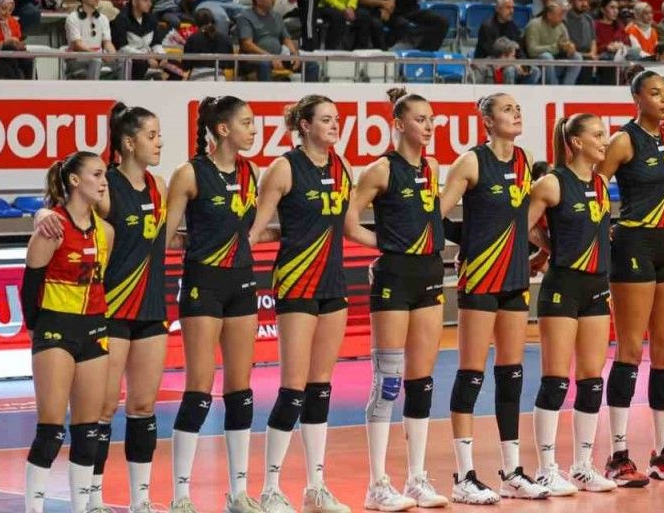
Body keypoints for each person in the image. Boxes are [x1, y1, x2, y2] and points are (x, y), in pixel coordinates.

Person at [437, 93, 551, 504]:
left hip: (514, 278)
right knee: (471, 373)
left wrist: (543, 249)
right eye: (506, 109)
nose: (516, 113)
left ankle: (512, 472)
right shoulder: (470, 162)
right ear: (486, 120)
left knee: (511, 373)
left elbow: (521, 220)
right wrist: (469, 241)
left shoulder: (525, 160)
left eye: (518, 107)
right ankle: (464, 476)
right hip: (481, 277)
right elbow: (436, 215)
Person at [245, 97, 356, 513]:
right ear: (305, 125)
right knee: (293, 387)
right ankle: (271, 488)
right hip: (296, 282)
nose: (335, 125)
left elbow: (350, 227)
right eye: (326, 119)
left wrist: (401, 247)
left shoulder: (343, 167)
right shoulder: (284, 168)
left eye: (336, 119)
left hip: (333, 282)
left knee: (320, 387)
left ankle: (316, 487)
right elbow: (255, 229)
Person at [344, 89, 451, 510]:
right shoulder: (380, 170)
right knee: (388, 380)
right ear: (400, 124)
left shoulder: (433, 166)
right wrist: (386, 244)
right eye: (420, 119)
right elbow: (348, 221)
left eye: (431, 119)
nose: (428, 126)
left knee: (421, 381)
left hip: (429, 273)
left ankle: (416, 478)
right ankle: (377, 484)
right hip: (394, 277)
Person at [596, 71, 664, 485]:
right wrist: (603, 228)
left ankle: (663, 453)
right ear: (637, 98)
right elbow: (596, 184)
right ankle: (618, 455)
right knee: (628, 348)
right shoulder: (624, 140)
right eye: (655, 93)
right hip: (635, 246)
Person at [161, 96, 262, 513]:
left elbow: (249, 229)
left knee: (241, 391)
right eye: (246, 123)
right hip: (203, 284)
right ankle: (181, 495)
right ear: (223, 129)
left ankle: (239, 492)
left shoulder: (251, 172)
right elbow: (164, 236)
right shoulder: (189, 174)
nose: (253, 130)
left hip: (242, 282)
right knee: (199, 389)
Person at [523, 114, 620, 495]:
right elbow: (522, 225)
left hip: (596, 287)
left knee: (592, 380)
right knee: (556, 380)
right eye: (598, 134)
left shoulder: (601, 183)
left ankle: (582, 466)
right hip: (563, 286)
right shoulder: (551, 183)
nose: (605, 140)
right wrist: (548, 249)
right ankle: (546, 468)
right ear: (576, 142)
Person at [20, 151, 114, 513]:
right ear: (75, 181)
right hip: (56, 329)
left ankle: (82, 507)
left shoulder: (106, 232)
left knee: (89, 429)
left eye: (104, 175)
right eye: (96, 175)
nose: (103, 182)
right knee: (51, 430)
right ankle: (34, 509)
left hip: (94, 327)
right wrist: (37, 333)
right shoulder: (52, 228)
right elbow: (30, 286)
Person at [65, 0, 116, 80]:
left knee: (123, 62)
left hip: (98, 57)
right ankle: (93, 89)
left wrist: (113, 55)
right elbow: (77, 45)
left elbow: (107, 43)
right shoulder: (72, 18)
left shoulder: (103, 18)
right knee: (96, 60)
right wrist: (99, 55)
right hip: (77, 59)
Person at [525, 1, 583, 86]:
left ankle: (568, 87)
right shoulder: (534, 25)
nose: (562, 17)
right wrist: (555, 47)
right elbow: (532, 51)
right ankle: (554, 87)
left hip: (556, 62)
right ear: (549, 15)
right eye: (559, 14)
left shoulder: (561, 26)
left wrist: (570, 47)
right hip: (538, 64)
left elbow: (566, 42)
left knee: (577, 57)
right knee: (547, 56)